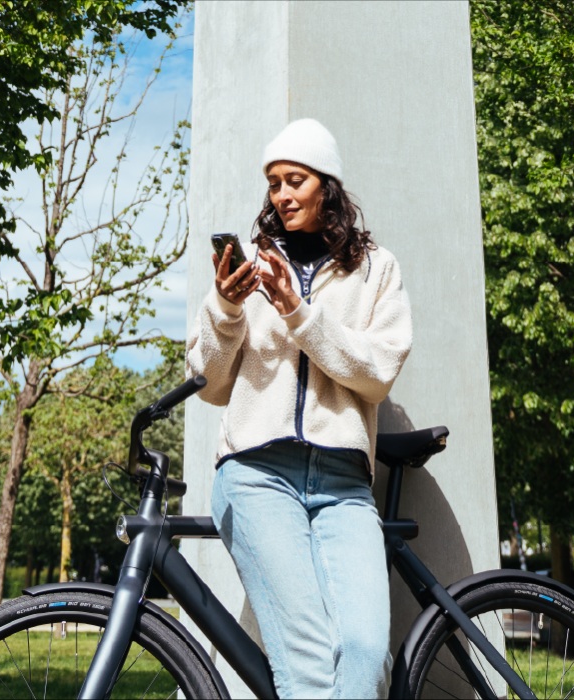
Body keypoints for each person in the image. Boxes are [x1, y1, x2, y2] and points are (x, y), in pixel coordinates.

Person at [186, 118, 412, 699]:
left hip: (343, 483)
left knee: (365, 653)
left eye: (294, 180)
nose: (281, 196)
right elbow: (209, 383)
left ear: (326, 186)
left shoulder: (376, 269)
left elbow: (378, 372)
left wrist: (299, 315)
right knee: (310, 664)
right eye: (273, 184)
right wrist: (227, 310)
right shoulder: (255, 269)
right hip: (258, 474)